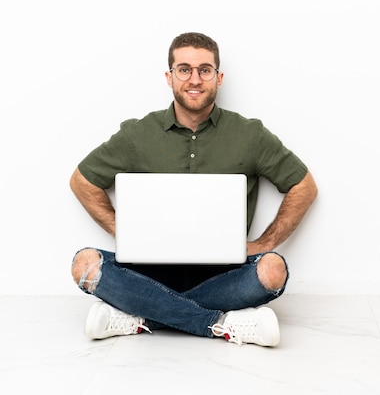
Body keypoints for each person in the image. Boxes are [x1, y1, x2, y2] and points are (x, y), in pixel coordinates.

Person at [69, 32, 318, 347]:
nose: (195, 79)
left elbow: (304, 186)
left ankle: (140, 316)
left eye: (205, 70)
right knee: (84, 265)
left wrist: (265, 242)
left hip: (224, 274)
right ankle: (220, 324)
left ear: (219, 77)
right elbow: (82, 180)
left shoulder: (250, 134)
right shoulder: (136, 134)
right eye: (184, 69)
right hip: (147, 272)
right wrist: (123, 230)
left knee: (273, 270)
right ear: (169, 77)